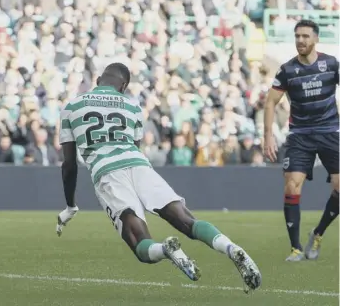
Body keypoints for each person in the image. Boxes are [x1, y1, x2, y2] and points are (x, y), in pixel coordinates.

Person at [56, 63, 261, 292]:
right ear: (124, 86)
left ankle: (166, 250)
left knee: (139, 241)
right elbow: (134, 147)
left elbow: (69, 164)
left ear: (97, 80)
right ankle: (230, 247)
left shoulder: (71, 107)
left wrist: (70, 205)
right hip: (140, 166)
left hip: (107, 172)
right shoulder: (133, 107)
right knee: (186, 220)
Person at [264, 19, 339, 262]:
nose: (300, 41)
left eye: (305, 36)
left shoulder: (331, 64)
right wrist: (268, 136)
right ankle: (296, 248)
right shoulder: (287, 70)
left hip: (330, 131)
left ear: (315, 39)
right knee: (291, 185)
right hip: (300, 135)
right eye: (297, 36)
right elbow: (271, 101)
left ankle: (317, 233)